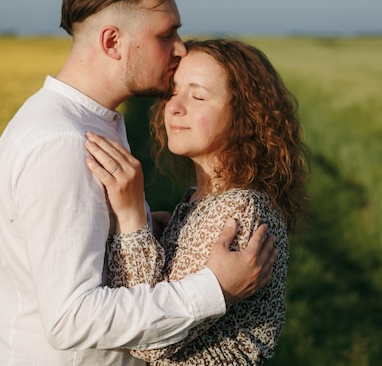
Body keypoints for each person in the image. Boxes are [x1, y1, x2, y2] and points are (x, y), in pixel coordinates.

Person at [0, 0, 277, 366]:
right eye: (165, 34)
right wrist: (214, 288)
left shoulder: (90, 124)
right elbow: (71, 319)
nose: (181, 47)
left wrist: (143, 229)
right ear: (112, 42)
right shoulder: (63, 142)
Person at [85, 39, 310, 365]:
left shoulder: (238, 210)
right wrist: (160, 239)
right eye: (172, 92)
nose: (174, 107)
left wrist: (131, 215)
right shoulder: (202, 199)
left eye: (198, 95)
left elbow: (148, 341)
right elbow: (163, 294)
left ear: (246, 115)